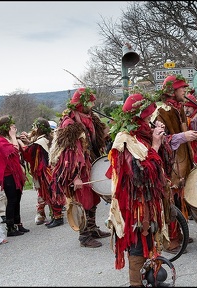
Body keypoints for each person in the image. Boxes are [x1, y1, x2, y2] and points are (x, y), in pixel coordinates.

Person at [106, 92, 172, 287]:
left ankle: (152, 280)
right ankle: (137, 284)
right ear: (140, 117)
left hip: (149, 201)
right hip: (135, 206)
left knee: (151, 239)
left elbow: (163, 166)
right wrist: (156, 146)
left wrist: (159, 139)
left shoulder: (142, 135)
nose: (153, 119)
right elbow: (141, 176)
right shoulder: (126, 140)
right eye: (149, 116)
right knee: (138, 243)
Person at [49, 87, 111, 248]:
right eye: (90, 101)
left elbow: (93, 141)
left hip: (90, 163)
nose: (93, 104)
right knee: (83, 201)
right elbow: (68, 152)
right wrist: (74, 176)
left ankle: (92, 228)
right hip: (78, 167)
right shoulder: (70, 123)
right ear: (81, 103)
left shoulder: (89, 117)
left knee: (94, 198)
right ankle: (84, 236)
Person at [152, 74, 197, 253]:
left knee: (180, 200)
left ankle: (180, 234)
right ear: (173, 91)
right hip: (169, 165)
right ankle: (171, 241)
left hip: (182, 162)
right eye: (182, 89)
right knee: (171, 201)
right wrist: (182, 137)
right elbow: (158, 139)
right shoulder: (161, 111)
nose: (185, 92)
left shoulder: (178, 108)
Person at [0, 115, 28, 237]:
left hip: (15, 173)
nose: (14, 127)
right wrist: (14, 136)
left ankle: (18, 223)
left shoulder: (7, 138)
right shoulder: (0, 140)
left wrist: (20, 138)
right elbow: (13, 151)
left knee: (18, 198)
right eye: (11, 125)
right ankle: (10, 228)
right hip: (7, 174)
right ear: (6, 127)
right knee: (12, 200)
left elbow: (22, 149)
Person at [20, 117, 65, 227]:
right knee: (50, 193)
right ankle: (55, 216)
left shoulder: (40, 142)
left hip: (46, 172)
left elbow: (30, 153)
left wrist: (22, 144)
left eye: (35, 127)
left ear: (39, 128)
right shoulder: (47, 138)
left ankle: (58, 217)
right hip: (49, 170)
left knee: (51, 192)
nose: (33, 129)